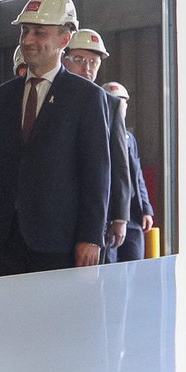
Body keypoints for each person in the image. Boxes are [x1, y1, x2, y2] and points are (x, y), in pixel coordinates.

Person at [0, 0, 111, 276]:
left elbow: (96, 173)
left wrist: (91, 236)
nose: (27, 40)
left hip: (60, 241)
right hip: (5, 239)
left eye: (39, 32)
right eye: (25, 31)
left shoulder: (86, 97)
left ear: (64, 40)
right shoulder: (1, 97)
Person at [62, 27, 131, 261]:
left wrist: (120, 217)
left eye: (93, 62)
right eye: (79, 60)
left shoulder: (110, 105)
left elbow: (120, 163)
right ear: (64, 58)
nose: (87, 68)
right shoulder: (49, 97)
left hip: (96, 212)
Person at [103, 82, 155, 261]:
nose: (119, 106)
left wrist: (146, 208)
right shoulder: (98, 137)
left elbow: (137, 175)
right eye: (114, 102)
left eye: (122, 102)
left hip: (133, 215)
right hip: (109, 215)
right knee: (110, 264)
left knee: (134, 261)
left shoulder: (129, 138)